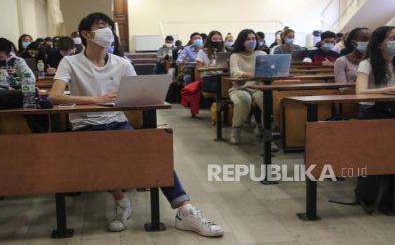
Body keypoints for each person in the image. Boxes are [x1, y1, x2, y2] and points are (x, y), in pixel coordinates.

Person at [48, 12, 223, 237]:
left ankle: (184, 211)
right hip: (86, 125)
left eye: (109, 27)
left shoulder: (121, 63)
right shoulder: (70, 61)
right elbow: (55, 96)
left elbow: (139, 92)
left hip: (117, 122)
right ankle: (122, 202)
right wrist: (95, 100)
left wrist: (149, 96)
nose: (107, 31)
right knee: (102, 157)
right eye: (101, 26)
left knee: (154, 153)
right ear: (86, 34)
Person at [228, 29, 278, 151]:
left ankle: (266, 134)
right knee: (243, 100)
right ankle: (236, 129)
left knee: (267, 101)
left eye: (253, 39)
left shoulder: (261, 54)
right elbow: (235, 72)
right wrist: (246, 75)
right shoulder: (235, 55)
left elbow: (270, 69)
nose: (252, 41)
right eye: (248, 39)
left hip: (259, 87)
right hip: (240, 87)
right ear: (242, 41)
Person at [356, 26, 395, 118]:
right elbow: (360, 92)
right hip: (372, 107)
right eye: (393, 38)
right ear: (380, 45)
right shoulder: (366, 64)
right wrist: (394, 89)